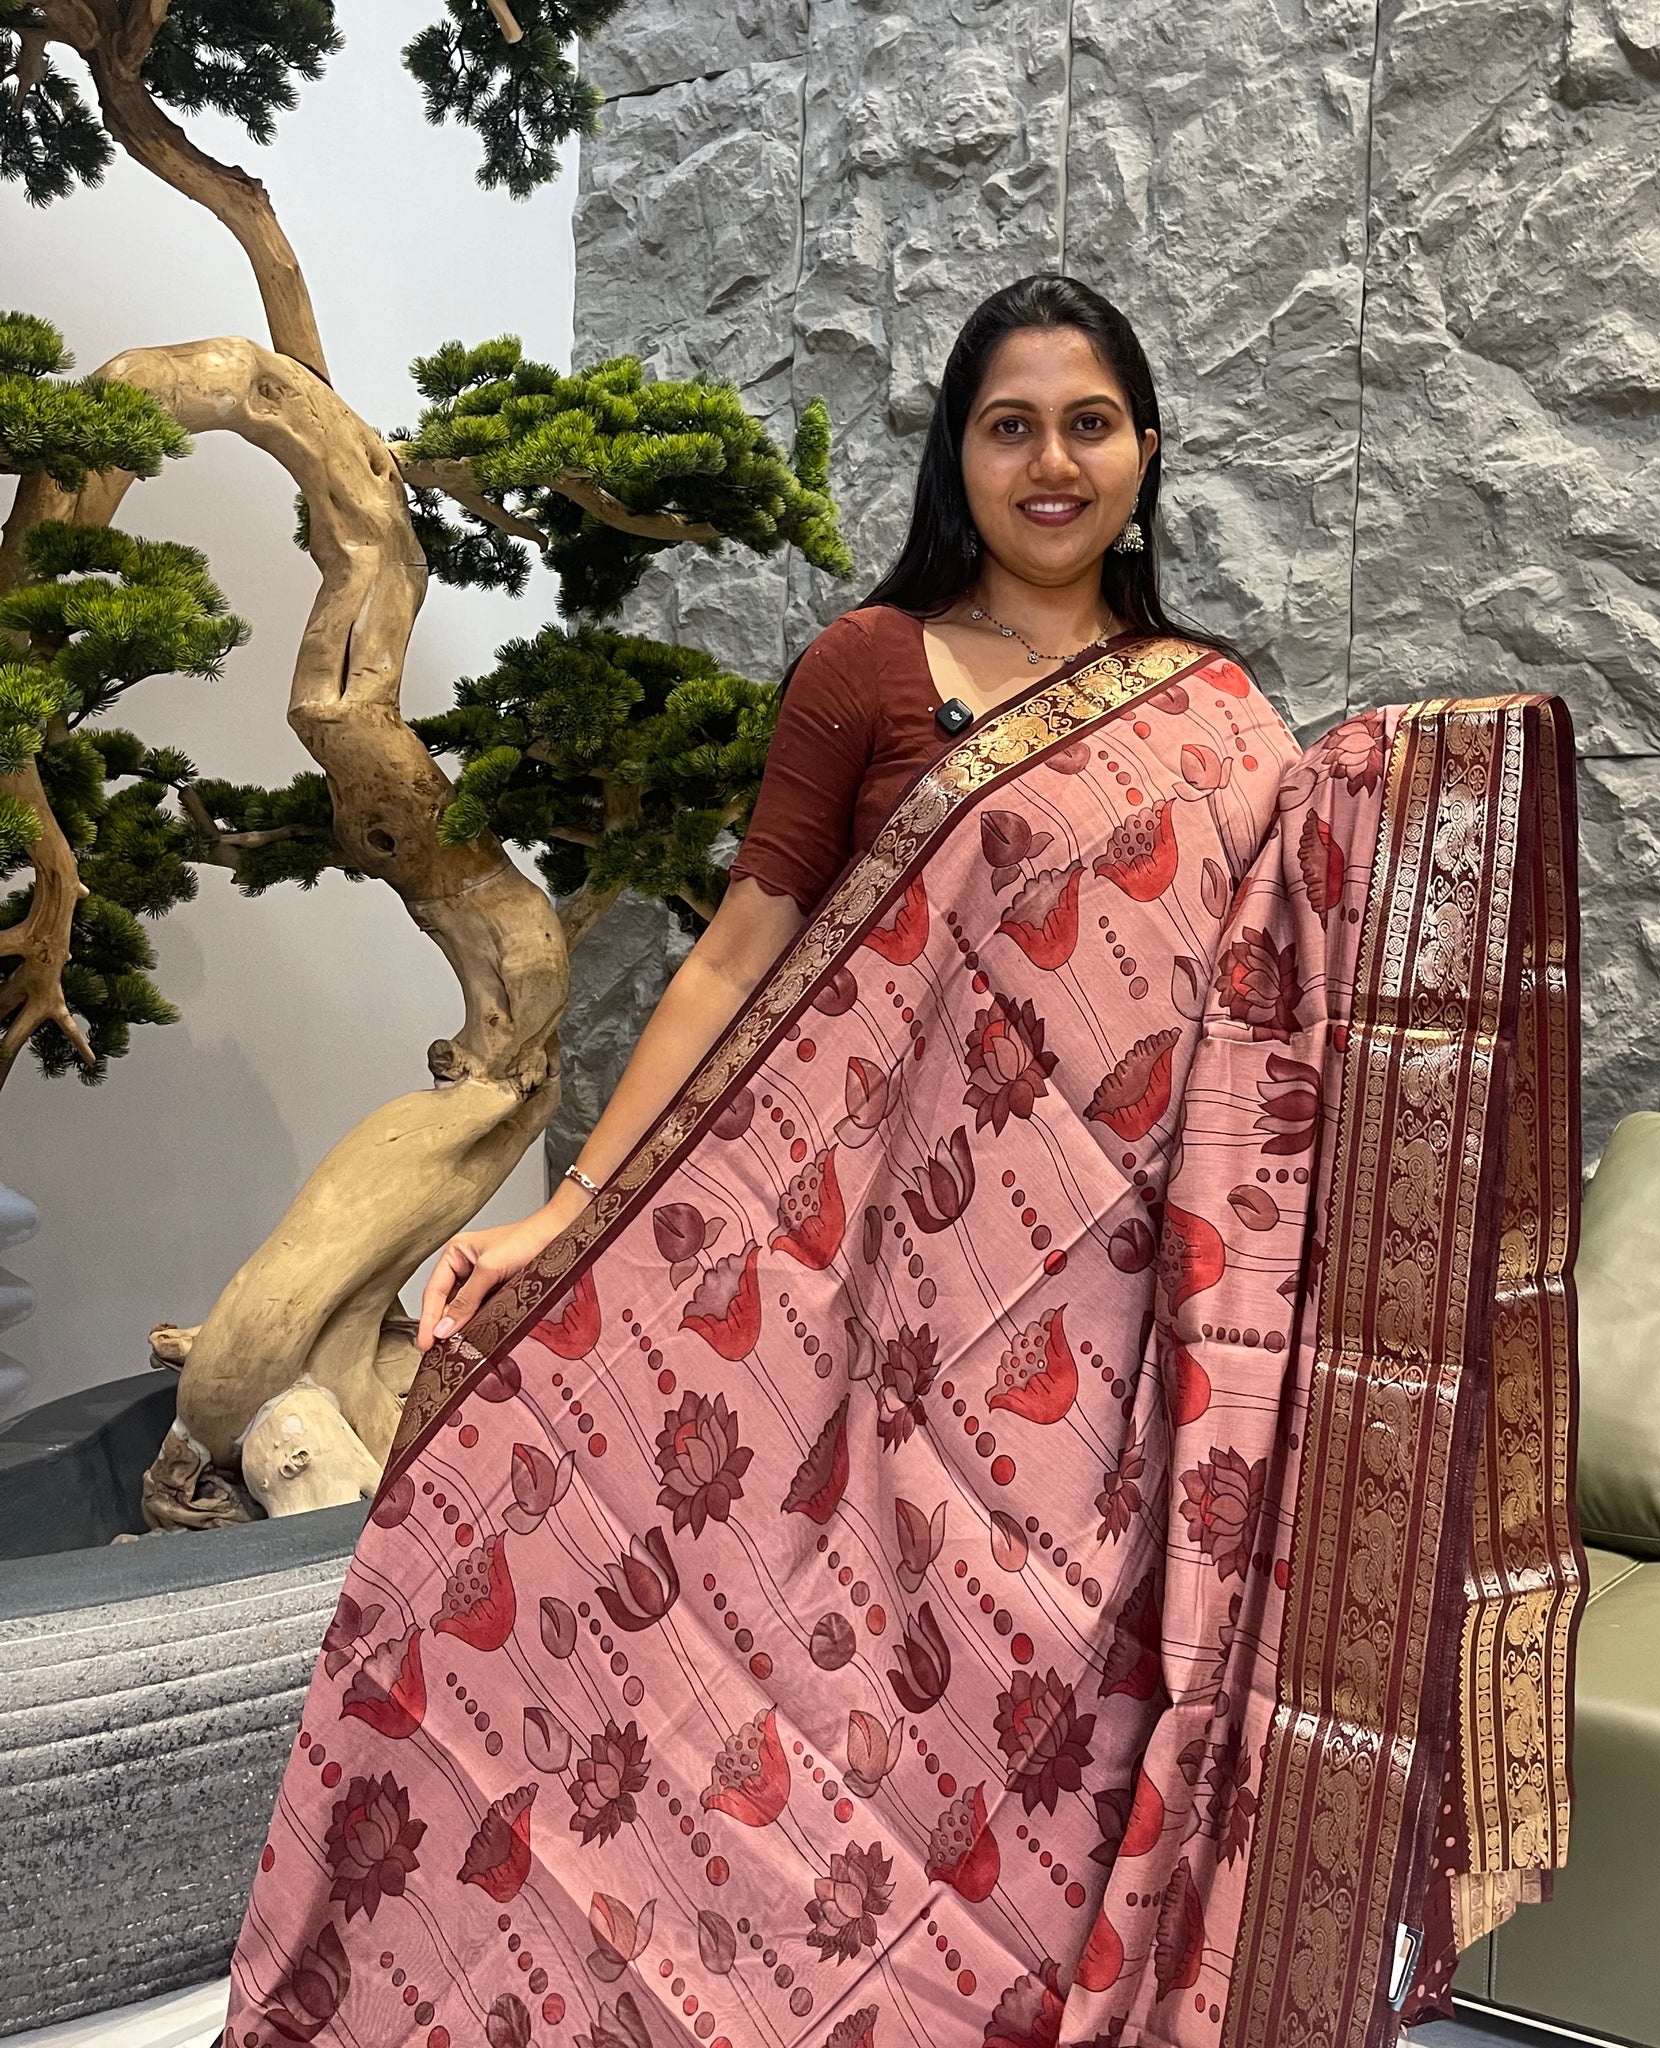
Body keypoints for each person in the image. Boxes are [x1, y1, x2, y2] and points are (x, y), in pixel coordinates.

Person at [223, 277, 1586, 2048]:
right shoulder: (869, 669)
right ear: (960, 452)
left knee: (1040, 1710)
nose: (1051, 460)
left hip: (1109, 1349)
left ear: (1147, 452)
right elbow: (736, 954)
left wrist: (1440, 789)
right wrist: (566, 1212)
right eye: (1009, 424)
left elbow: (1290, 988)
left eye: (1089, 423)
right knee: (718, 1628)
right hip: (864, 1312)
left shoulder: (1222, 713)